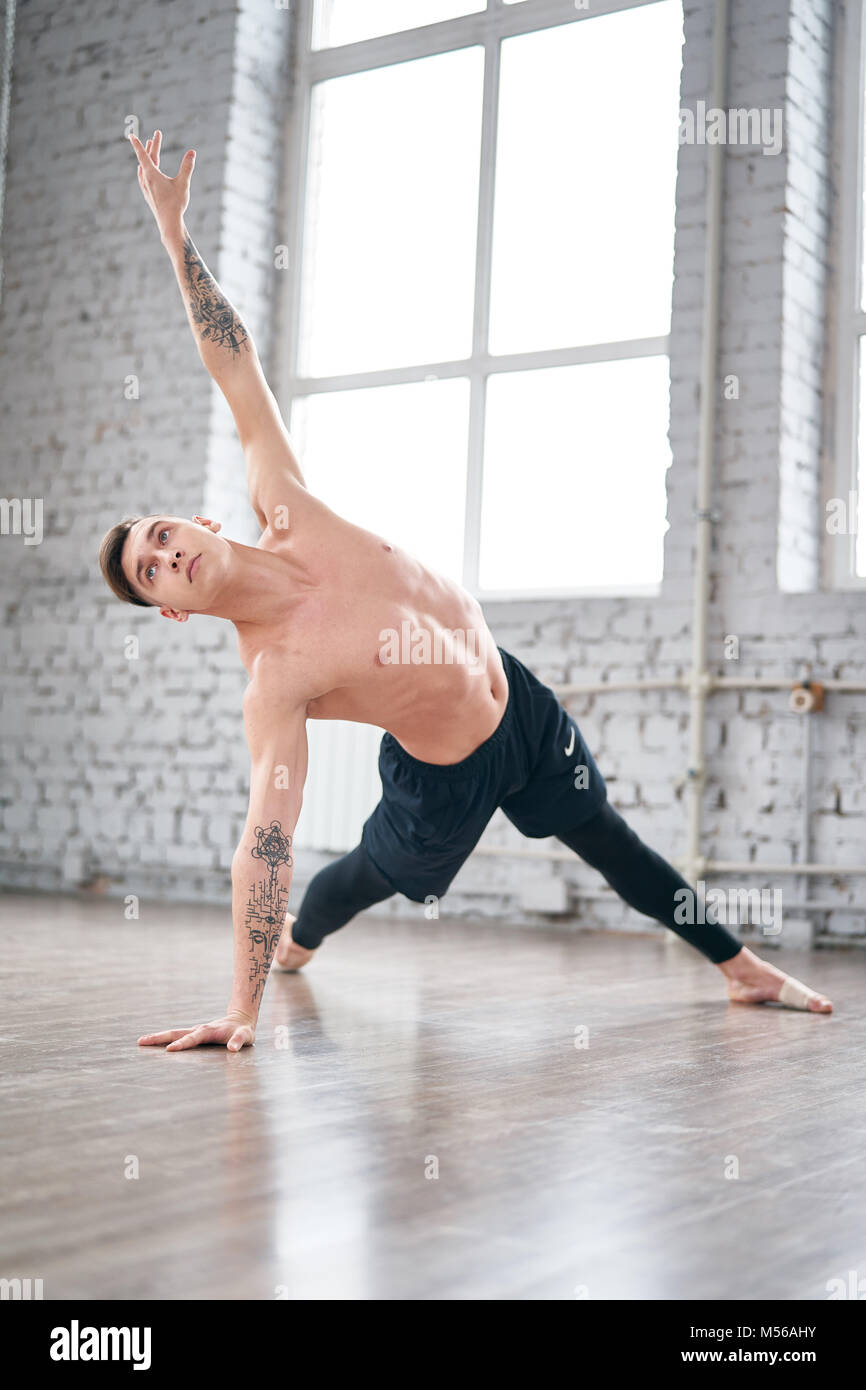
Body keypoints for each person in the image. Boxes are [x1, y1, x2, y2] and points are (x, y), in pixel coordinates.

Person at [103, 131, 832, 1053]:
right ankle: (296, 948)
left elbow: (232, 361)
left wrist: (175, 235)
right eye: (151, 571)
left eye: (163, 536)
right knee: (365, 872)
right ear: (171, 609)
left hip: (515, 703)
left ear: (199, 520)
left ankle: (741, 968)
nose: (166, 556)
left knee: (606, 838)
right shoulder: (276, 678)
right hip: (440, 780)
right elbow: (268, 839)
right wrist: (240, 1010)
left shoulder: (283, 499)